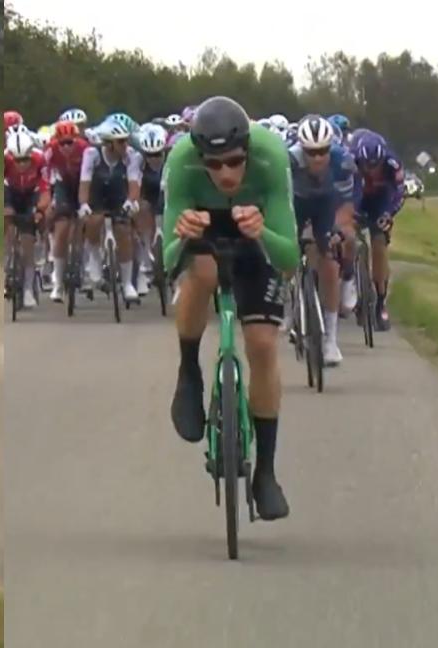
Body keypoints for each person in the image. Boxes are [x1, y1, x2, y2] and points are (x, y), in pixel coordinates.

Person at [162, 96, 299, 520]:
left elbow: (289, 259)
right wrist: (182, 238)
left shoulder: (272, 155)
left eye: (235, 162)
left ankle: (266, 472)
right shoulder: (181, 160)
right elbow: (167, 262)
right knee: (200, 273)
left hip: (257, 230)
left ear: (248, 151)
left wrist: (262, 233)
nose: (225, 173)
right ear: (199, 157)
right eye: (214, 164)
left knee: (262, 344)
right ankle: (189, 371)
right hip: (205, 226)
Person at [287, 115, 358, 365]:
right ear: (301, 149)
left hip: (326, 205)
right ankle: (289, 303)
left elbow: (346, 205)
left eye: (322, 151)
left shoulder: (341, 162)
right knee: (285, 252)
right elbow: (279, 202)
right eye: (311, 152)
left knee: (329, 262)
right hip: (295, 204)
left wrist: (339, 230)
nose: (317, 158)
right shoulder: (289, 161)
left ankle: (330, 340)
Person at [78, 120, 143, 301]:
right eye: (120, 142)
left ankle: (127, 283)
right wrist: (83, 204)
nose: (125, 145)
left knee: (123, 231)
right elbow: (84, 182)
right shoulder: (92, 154)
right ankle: (95, 261)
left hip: (118, 192)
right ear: (108, 144)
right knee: (93, 221)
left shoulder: (131, 156)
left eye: (126, 140)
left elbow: (133, 184)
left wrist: (130, 201)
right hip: (97, 192)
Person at [348, 130, 404, 331]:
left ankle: (380, 302)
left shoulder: (392, 164)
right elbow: (340, 192)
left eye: (376, 166)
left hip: (380, 200)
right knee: (347, 237)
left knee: (379, 244)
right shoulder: (349, 161)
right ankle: (350, 284)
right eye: (367, 166)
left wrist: (389, 214)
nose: (371, 170)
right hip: (355, 197)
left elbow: (399, 193)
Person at [43, 120, 90, 302]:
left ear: (76, 140)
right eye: (62, 143)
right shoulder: (50, 150)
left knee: (84, 224)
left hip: (83, 184)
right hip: (63, 185)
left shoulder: (85, 149)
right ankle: (58, 282)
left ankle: (83, 265)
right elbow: (45, 174)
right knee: (61, 228)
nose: (66, 147)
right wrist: (48, 199)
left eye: (70, 142)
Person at [4, 129, 51, 309]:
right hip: (10, 191)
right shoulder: (5, 159)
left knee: (27, 243)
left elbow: (45, 190)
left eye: (25, 160)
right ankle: (7, 260)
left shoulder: (40, 160)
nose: (22, 164)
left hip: (31, 194)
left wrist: (40, 210)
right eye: (18, 160)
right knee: (7, 218)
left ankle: (28, 289)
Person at [135, 124, 168, 296]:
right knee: (142, 208)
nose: (154, 159)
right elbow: (134, 184)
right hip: (147, 191)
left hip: (167, 191)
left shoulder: (172, 157)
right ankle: (146, 249)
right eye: (150, 155)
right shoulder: (138, 161)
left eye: (158, 154)